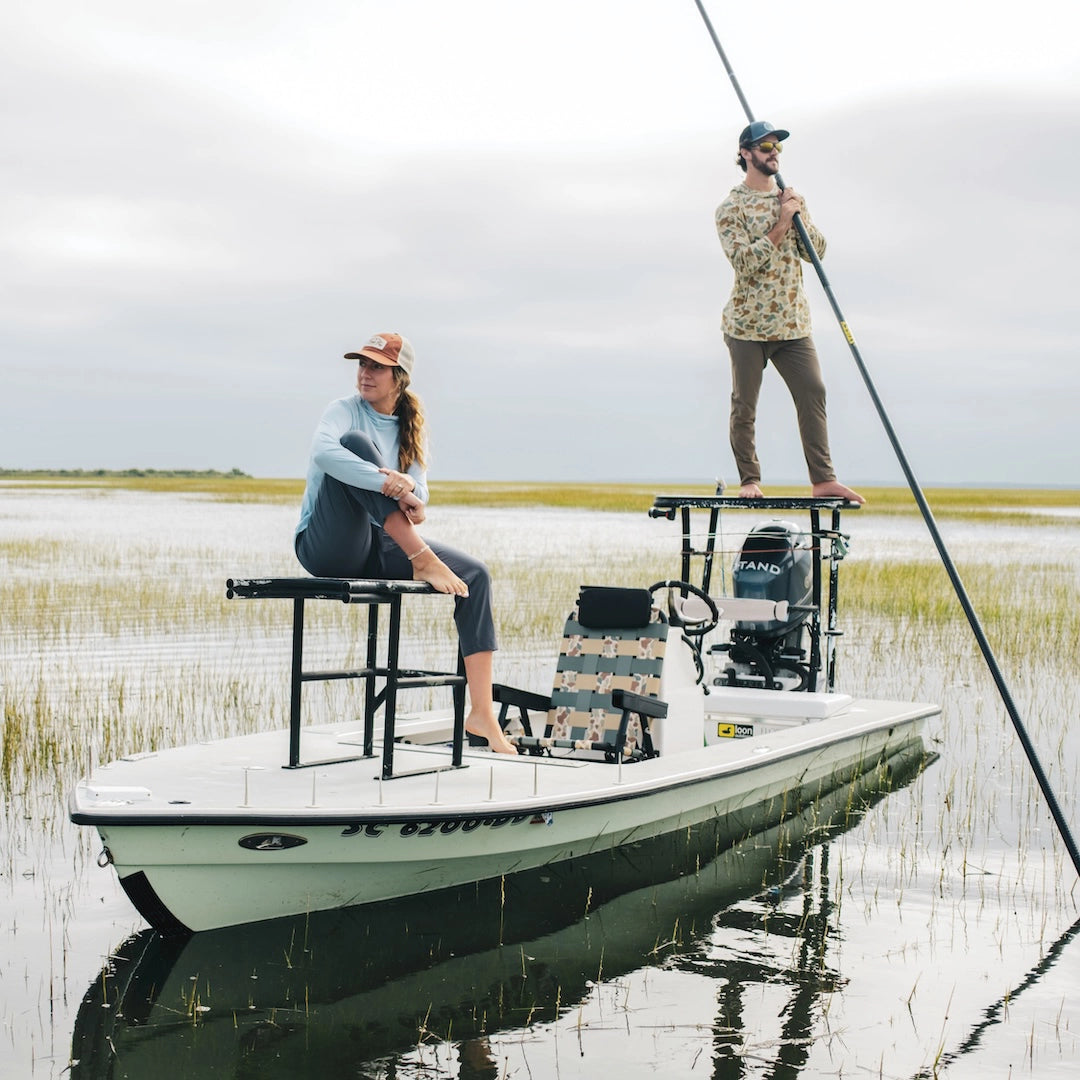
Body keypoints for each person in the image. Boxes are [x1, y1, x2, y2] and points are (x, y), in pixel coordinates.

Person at [294, 331, 517, 754]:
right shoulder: (343, 411)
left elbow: (421, 492)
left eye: (377, 367)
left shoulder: (411, 426)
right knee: (353, 445)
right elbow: (323, 453)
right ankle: (420, 555)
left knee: (475, 576)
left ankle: (482, 713)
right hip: (325, 546)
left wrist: (408, 487)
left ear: (400, 377)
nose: (365, 373)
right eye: (362, 364)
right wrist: (389, 483)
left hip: (377, 542)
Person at [715, 120, 864, 504]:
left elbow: (817, 253)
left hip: (793, 324)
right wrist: (781, 224)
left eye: (777, 147)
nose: (774, 153)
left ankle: (823, 480)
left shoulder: (791, 200)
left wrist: (796, 215)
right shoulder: (731, 208)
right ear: (745, 153)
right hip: (747, 326)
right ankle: (749, 480)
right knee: (745, 405)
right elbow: (745, 263)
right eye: (765, 147)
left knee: (813, 391)